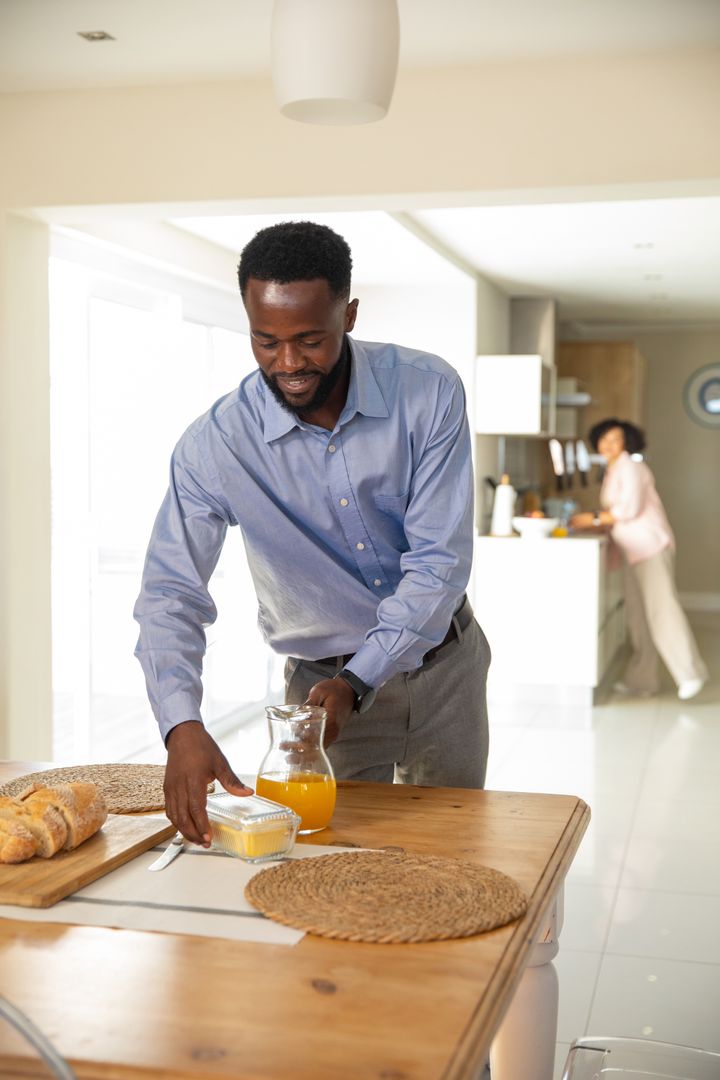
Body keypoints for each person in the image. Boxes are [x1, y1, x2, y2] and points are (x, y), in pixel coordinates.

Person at [134, 221, 491, 846]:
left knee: (451, 855)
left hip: (444, 672)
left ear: (348, 315)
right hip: (320, 698)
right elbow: (171, 593)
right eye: (265, 341)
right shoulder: (215, 445)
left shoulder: (428, 392)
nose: (289, 363)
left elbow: (439, 561)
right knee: (332, 864)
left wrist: (360, 678)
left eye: (309, 340)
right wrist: (180, 725)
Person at [571, 417, 707, 701]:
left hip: (649, 547)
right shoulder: (613, 470)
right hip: (631, 551)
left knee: (662, 610)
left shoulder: (631, 467)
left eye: (616, 439)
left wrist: (592, 518)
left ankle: (690, 673)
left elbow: (628, 509)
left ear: (627, 443)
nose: (609, 444)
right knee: (638, 615)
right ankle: (642, 680)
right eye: (604, 438)